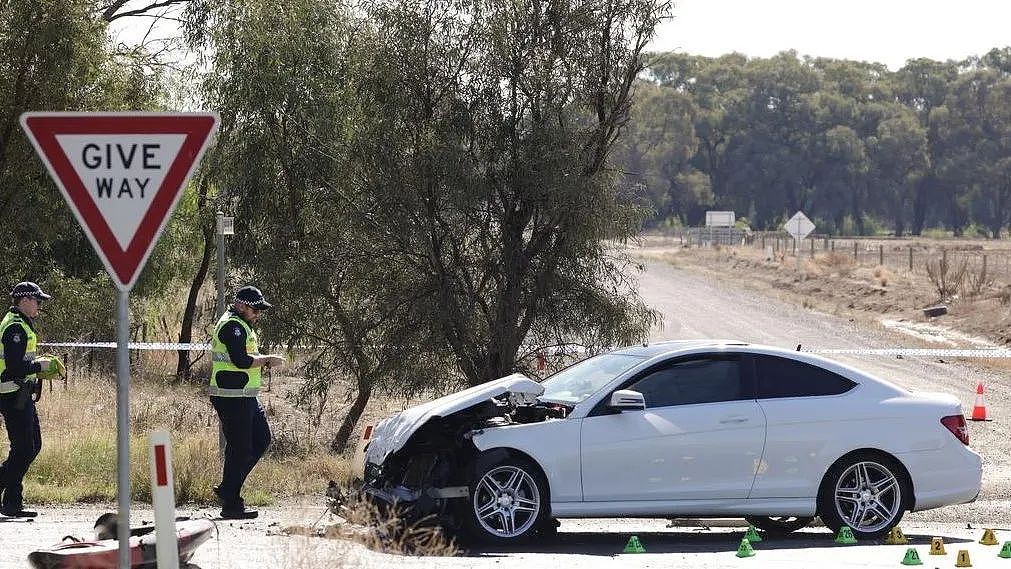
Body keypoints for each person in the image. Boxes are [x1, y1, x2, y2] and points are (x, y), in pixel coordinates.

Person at [209, 285, 285, 519]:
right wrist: (267, 360)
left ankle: (227, 488)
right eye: (255, 309)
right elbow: (241, 361)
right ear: (241, 305)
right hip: (231, 396)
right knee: (239, 448)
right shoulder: (232, 326)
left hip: (245, 395)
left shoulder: (242, 324)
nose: (258, 314)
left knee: (261, 440)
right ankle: (231, 504)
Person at [0, 282, 57, 518]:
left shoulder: (22, 324)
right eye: (37, 301)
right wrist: (39, 365)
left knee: (31, 446)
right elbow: (14, 366)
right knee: (24, 449)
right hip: (12, 393)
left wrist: (38, 367)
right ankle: (11, 499)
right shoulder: (15, 328)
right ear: (24, 301)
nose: (39, 306)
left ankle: (12, 504)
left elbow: (20, 360)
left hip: (22, 394)